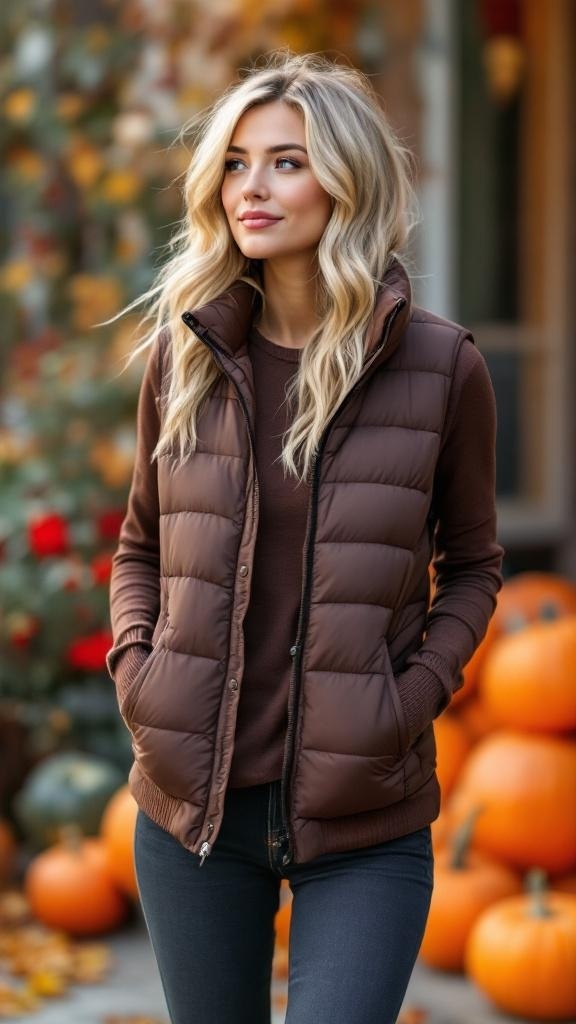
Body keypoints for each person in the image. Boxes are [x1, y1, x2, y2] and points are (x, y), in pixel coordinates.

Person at [106, 51, 504, 1024]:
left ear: (346, 180)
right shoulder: (186, 357)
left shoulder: (442, 366)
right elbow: (140, 544)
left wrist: (408, 696)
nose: (252, 186)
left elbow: (474, 564)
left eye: (286, 162)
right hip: (194, 816)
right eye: (236, 163)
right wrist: (139, 671)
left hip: (365, 819)